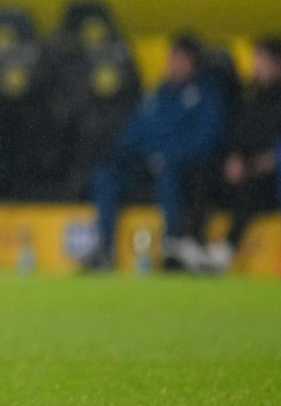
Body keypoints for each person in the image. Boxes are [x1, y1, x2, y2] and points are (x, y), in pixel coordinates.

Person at [89, 35, 228, 271]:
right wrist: (126, 154)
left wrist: (166, 156)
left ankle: (172, 247)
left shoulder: (206, 95)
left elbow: (205, 141)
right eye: (171, 57)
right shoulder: (157, 94)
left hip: (182, 168)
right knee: (106, 175)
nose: (172, 63)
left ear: (192, 62)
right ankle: (104, 248)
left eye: (178, 58)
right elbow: (132, 134)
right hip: (144, 165)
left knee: (168, 174)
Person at [213, 37, 281, 271]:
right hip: (244, 168)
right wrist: (233, 158)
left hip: (269, 176)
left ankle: (225, 251)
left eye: (262, 61)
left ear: (278, 65)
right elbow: (235, 133)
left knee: (250, 189)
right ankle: (190, 245)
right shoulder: (248, 97)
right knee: (202, 175)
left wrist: (259, 164)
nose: (256, 66)